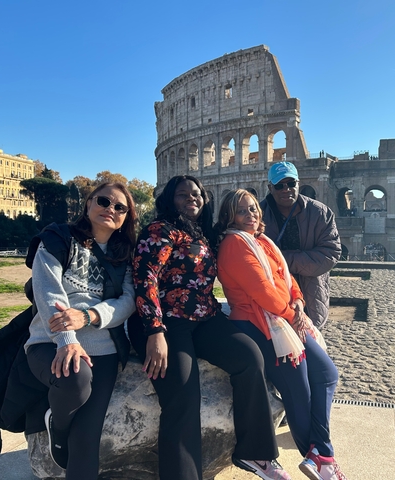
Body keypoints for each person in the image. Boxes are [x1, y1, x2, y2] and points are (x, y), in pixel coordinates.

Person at [129, 175, 290, 480]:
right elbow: (145, 278)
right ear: (169, 200)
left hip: (204, 317)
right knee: (183, 396)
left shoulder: (202, 234)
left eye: (197, 194)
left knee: (249, 358)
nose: (192, 198)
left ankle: (254, 452)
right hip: (165, 322)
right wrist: (154, 331)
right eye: (182, 194)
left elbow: (241, 239)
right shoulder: (160, 230)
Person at [216, 189, 347, 480]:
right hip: (257, 324)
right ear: (229, 217)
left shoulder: (263, 241)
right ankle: (320, 457)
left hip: (284, 320)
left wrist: (298, 304)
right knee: (297, 387)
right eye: (241, 211)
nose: (250, 215)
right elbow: (263, 292)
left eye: (252, 209)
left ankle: (319, 453)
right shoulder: (234, 244)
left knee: (326, 373)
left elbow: (287, 282)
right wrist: (295, 314)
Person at [24, 182, 137, 478]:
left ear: (126, 217)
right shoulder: (58, 238)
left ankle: (62, 432)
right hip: (48, 342)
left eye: (119, 207)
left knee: (87, 439)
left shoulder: (124, 254)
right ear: (88, 204)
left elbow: (127, 302)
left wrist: (89, 316)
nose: (110, 209)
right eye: (103, 201)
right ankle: (57, 426)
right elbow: (49, 294)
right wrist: (67, 341)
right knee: (76, 375)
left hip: (105, 349)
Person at [260, 162, 341, 329]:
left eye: (291, 183)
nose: (286, 189)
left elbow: (330, 254)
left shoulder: (321, 213)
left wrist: (283, 261)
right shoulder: (258, 215)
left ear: (298, 184)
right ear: (270, 188)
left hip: (312, 296)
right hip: (274, 300)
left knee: (312, 350)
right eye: (279, 185)